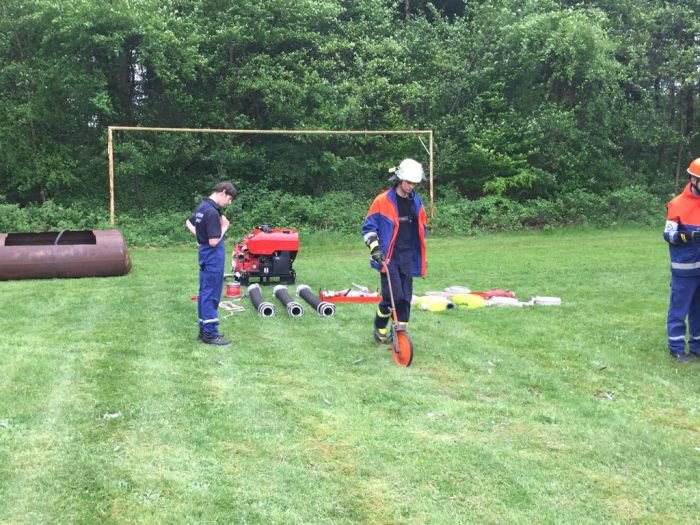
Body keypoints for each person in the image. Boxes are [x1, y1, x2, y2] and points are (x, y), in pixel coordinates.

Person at [362, 158, 428, 344]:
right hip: (388, 257)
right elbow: (368, 228)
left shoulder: (416, 202)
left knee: (405, 297)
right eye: (408, 182)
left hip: (408, 255)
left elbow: (422, 225)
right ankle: (380, 325)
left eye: (415, 183)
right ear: (399, 179)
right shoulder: (382, 201)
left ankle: (401, 334)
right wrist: (375, 249)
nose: (411, 186)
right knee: (393, 296)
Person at [186, 181, 237, 345]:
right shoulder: (212, 213)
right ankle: (210, 333)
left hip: (204, 254)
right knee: (212, 294)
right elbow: (214, 241)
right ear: (223, 192)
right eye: (229, 199)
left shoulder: (202, 207)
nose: (229, 203)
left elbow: (189, 222)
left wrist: (200, 238)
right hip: (213, 256)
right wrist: (225, 227)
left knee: (204, 292)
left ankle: (203, 329)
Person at [663, 157, 700, 363]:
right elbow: (668, 235)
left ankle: (697, 346)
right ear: (693, 180)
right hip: (684, 269)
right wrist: (689, 236)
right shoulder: (677, 204)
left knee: (699, 311)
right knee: (679, 309)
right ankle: (676, 348)